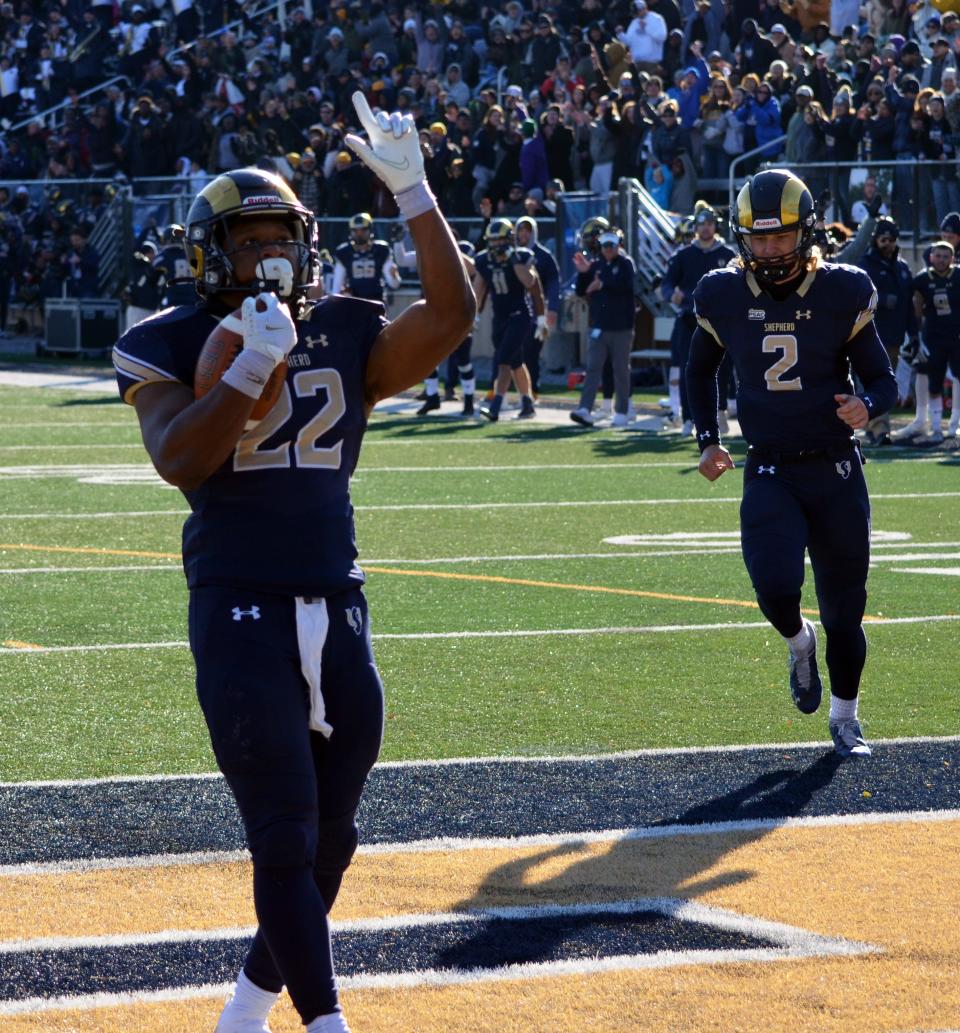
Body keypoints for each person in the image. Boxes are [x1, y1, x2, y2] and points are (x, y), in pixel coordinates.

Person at [111, 90, 474, 1033]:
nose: (268, 255)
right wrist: (240, 372)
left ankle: (245, 1008)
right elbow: (178, 461)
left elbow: (451, 311)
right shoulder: (165, 338)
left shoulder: (347, 326)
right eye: (246, 241)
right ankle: (327, 1023)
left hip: (338, 596)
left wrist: (417, 195)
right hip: (239, 600)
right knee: (281, 828)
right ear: (209, 254)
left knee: (333, 839)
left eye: (280, 237)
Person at [687, 169, 897, 759]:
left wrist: (869, 404)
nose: (770, 249)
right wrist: (708, 438)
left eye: (781, 238)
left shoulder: (842, 290)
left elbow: (884, 378)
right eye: (759, 239)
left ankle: (847, 717)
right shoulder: (722, 293)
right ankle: (797, 642)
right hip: (771, 467)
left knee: (845, 611)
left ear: (805, 233)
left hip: (834, 469)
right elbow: (700, 369)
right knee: (777, 592)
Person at [659, 206, 736, 435]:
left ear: (716, 226)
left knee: (722, 369)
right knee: (688, 370)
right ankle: (688, 418)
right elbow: (667, 283)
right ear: (695, 227)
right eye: (701, 224)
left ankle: (720, 412)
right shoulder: (683, 255)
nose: (706, 228)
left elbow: (738, 283)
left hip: (719, 322)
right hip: (689, 320)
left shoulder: (728, 254)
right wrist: (670, 294)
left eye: (710, 223)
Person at [474, 218, 545, 422]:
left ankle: (496, 406)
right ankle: (528, 403)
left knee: (503, 360)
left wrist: (513, 259)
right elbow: (478, 289)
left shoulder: (521, 256)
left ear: (509, 240)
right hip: (500, 318)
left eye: (499, 241)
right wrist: (475, 315)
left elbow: (531, 282)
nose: (495, 245)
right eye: (492, 241)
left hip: (519, 316)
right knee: (515, 362)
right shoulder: (484, 260)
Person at [569, 227, 638, 427]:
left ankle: (622, 411)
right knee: (592, 368)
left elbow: (626, 285)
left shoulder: (625, 263)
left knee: (620, 369)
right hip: (599, 326)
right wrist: (583, 273)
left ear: (618, 246)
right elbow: (582, 290)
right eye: (605, 245)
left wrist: (602, 284)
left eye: (611, 245)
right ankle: (585, 408)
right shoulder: (596, 265)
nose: (607, 249)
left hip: (622, 328)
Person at [857, 217, 917, 445]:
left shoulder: (902, 268)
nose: (888, 243)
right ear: (875, 240)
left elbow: (909, 306)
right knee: (874, 382)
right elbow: (858, 296)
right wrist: (881, 301)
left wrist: (913, 334)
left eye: (892, 239)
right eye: (884, 239)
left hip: (893, 336)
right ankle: (880, 428)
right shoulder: (865, 265)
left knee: (884, 383)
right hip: (869, 334)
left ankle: (873, 427)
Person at [909, 240, 960, 443]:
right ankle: (937, 426)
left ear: (952, 258)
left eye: (945, 256)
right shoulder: (922, 279)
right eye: (938, 256)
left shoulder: (958, 276)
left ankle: (954, 425)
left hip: (957, 337)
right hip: (934, 338)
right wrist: (916, 336)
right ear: (931, 257)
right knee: (934, 383)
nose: (941, 260)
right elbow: (917, 309)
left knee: (959, 378)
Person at [515, 215, 559, 398]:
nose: (524, 234)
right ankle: (519, 391)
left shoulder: (543, 256)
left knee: (532, 353)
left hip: (537, 312)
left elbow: (553, 283)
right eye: (521, 230)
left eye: (527, 231)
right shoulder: (513, 253)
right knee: (516, 353)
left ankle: (533, 389)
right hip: (516, 310)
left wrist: (553, 309)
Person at [332, 212, 400, 302]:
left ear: (370, 230)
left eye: (363, 230)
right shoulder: (344, 252)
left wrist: (394, 275)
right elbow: (336, 287)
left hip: (376, 301)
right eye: (356, 231)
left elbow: (394, 284)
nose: (359, 234)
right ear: (350, 231)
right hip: (354, 302)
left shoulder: (381, 250)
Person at [122, 239, 163, 331]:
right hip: (137, 309)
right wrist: (147, 229)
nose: (153, 255)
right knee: (132, 338)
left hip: (152, 310)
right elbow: (135, 251)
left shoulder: (157, 270)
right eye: (149, 253)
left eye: (153, 253)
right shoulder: (137, 267)